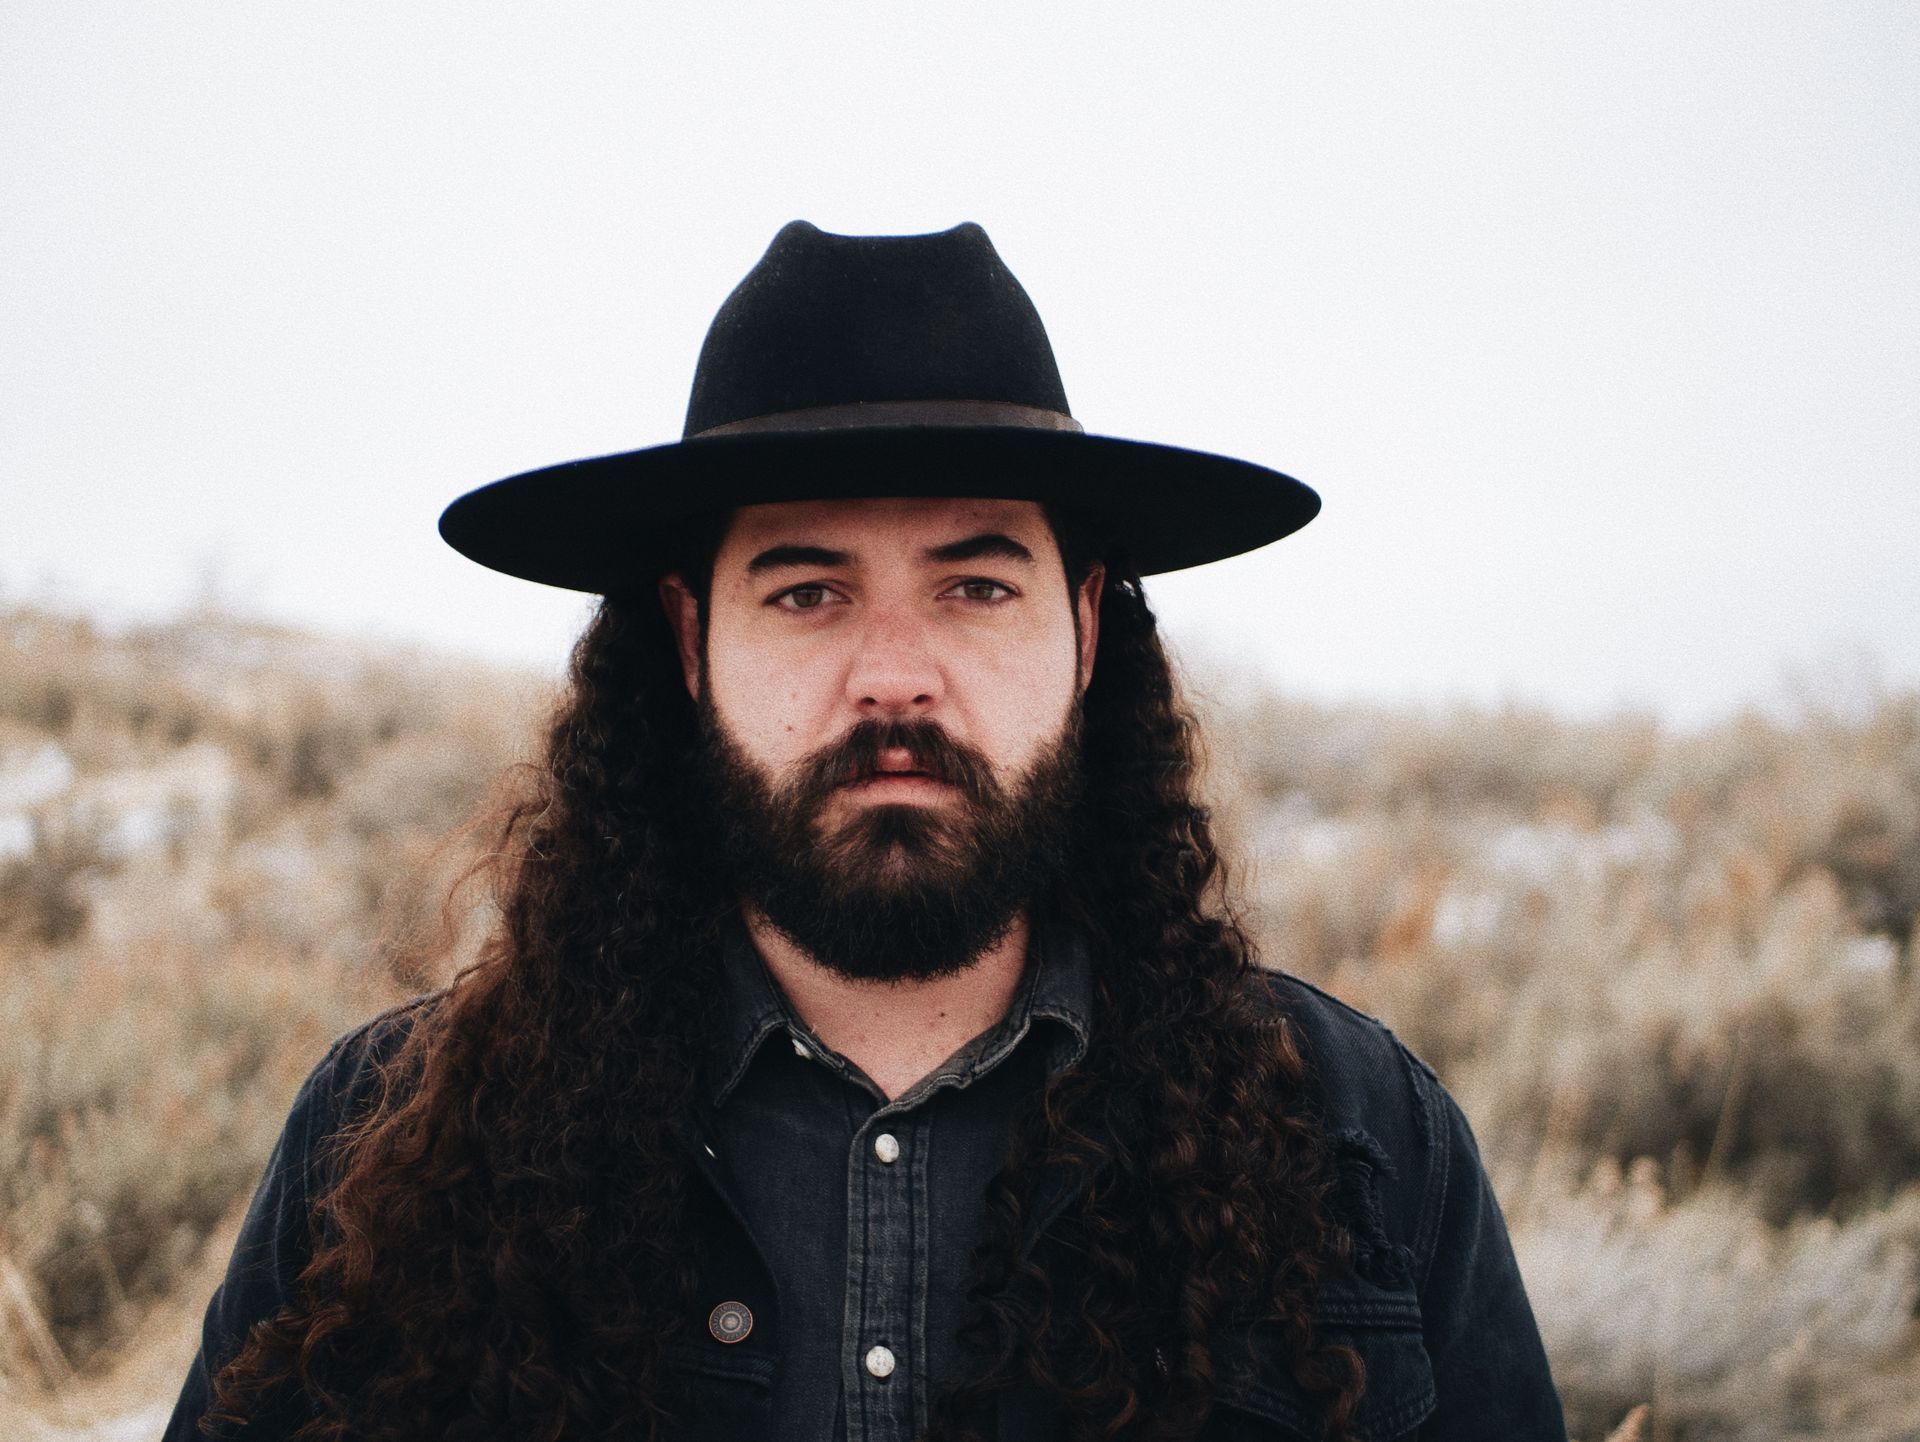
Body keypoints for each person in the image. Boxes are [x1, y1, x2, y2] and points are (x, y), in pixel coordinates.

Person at [165, 221, 1567, 1441]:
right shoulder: (398, 1153)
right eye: (807, 593)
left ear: (1084, 628)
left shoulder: (1358, 1141)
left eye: (975, 587)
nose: (895, 678)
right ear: (691, 639)